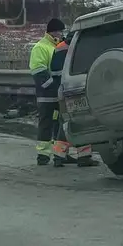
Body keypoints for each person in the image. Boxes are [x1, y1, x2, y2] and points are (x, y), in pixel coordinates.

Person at [50, 35, 99, 168]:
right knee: (84, 120)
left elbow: (54, 72)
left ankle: (59, 156)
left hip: (64, 89)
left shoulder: (60, 47)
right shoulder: (85, 45)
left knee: (65, 121)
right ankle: (83, 157)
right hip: (82, 87)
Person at [29, 18, 65, 165]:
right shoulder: (41, 47)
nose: (62, 34)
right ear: (53, 32)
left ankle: (59, 155)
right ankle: (43, 155)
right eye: (60, 31)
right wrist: (54, 84)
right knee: (46, 124)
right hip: (47, 95)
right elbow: (39, 73)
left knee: (60, 124)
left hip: (57, 94)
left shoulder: (57, 47)